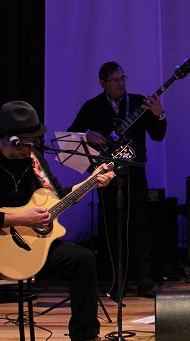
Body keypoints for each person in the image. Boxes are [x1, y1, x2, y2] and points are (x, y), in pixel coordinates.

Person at [0, 100, 115, 341]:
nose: (34, 146)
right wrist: (19, 218)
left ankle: (86, 335)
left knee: (83, 259)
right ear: (11, 139)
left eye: (36, 140)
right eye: (29, 141)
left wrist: (90, 183)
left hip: (31, 244)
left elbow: (57, 197)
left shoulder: (35, 160)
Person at [67, 61, 167, 298]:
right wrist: (87, 135)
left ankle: (144, 280)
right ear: (102, 83)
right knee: (111, 228)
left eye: (123, 78)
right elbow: (72, 134)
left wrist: (159, 114)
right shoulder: (92, 107)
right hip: (106, 175)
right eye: (115, 80)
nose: (121, 83)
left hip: (135, 172)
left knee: (140, 225)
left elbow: (158, 135)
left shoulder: (139, 103)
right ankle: (116, 281)